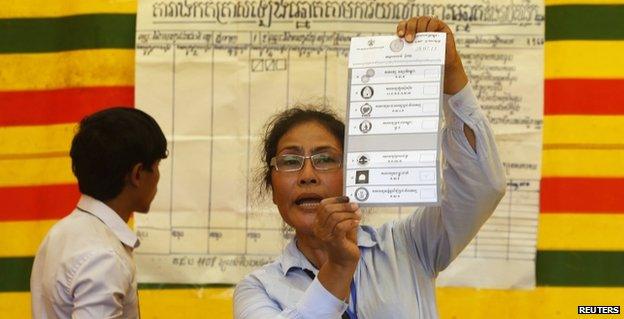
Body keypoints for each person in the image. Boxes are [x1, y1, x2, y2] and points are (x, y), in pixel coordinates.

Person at [233, 16, 507, 319]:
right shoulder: (259, 289)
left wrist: (452, 75)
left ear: (352, 175)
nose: (307, 176)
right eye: (290, 161)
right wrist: (338, 266)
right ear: (271, 187)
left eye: (325, 159)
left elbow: (481, 188)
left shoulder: (408, 245)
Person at [30, 107, 168, 318]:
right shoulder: (104, 257)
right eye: (157, 166)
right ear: (138, 174)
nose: (158, 177)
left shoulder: (60, 232)